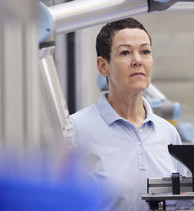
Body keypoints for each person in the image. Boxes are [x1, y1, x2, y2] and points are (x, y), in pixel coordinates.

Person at [70, 18, 186, 211]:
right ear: (103, 66)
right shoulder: (76, 130)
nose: (137, 60)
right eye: (125, 52)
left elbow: (183, 200)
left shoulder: (168, 133)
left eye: (145, 51)